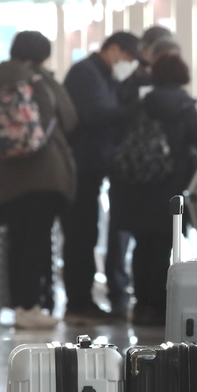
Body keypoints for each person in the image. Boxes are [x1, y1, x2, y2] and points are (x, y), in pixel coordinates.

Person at [110, 52, 197, 326]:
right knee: (162, 249)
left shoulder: (141, 102)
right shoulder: (183, 106)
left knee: (141, 247)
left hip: (138, 187)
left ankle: (141, 304)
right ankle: (158, 307)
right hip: (169, 188)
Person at [0, 32, 79, 330]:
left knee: (17, 243)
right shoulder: (40, 81)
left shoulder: (1, 81)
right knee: (37, 243)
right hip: (43, 174)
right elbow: (69, 117)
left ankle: (19, 306)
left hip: (7, 177)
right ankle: (32, 306)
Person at [61, 31, 141, 324]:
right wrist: (134, 110)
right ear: (115, 50)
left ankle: (83, 301)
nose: (129, 65)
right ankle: (78, 303)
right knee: (80, 234)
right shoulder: (86, 73)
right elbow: (95, 114)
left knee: (87, 233)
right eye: (129, 59)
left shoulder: (102, 75)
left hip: (92, 167)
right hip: (79, 168)